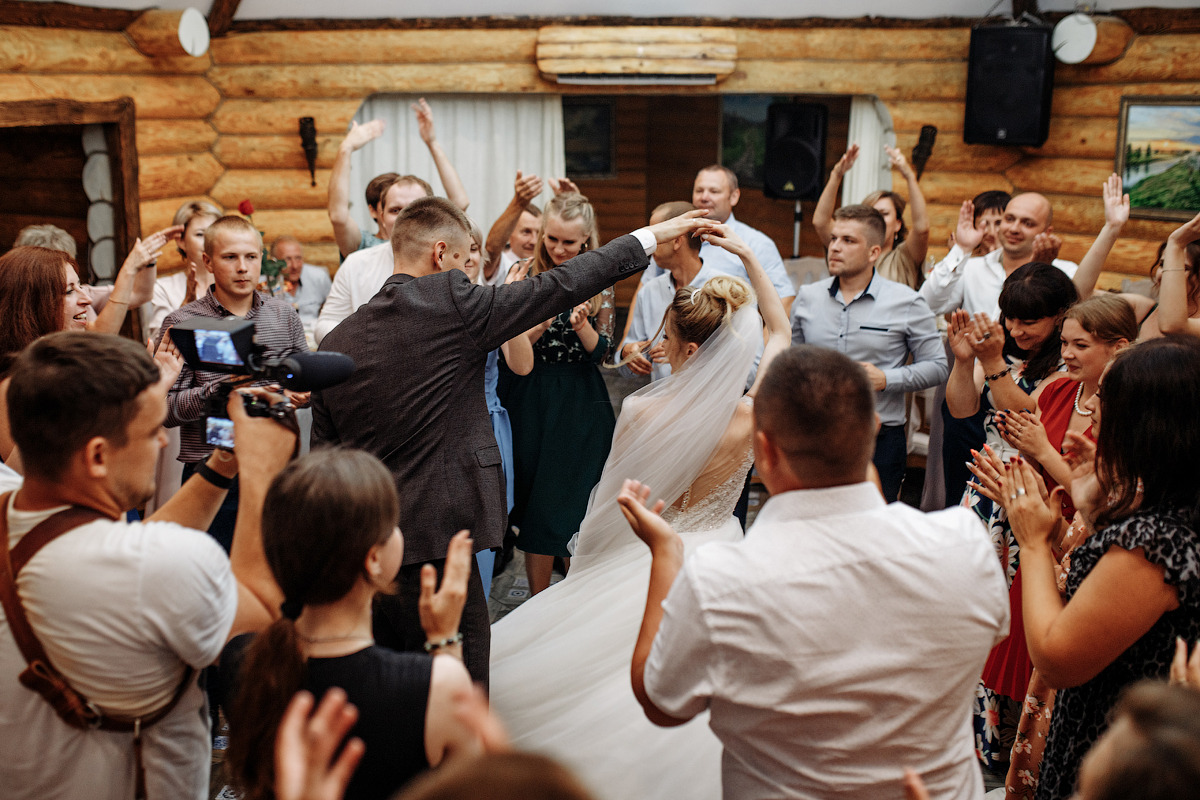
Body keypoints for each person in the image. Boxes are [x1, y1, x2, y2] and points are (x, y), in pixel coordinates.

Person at [312, 195, 716, 685]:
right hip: (445, 538)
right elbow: (566, 281)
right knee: (461, 683)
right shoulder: (455, 307)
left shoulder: (338, 342)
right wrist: (652, 237)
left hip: (368, 546)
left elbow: (324, 462)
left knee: (385, 683)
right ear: (440, 254)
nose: (467, 273)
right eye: (463, 262)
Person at [623, 344, 1008, 800]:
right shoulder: (964, 544)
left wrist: (667, 552)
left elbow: (663, 704)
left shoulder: (718, 578)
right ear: (874, 431)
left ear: (763, 449)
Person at [490, 220, 789, 800]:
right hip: (721, 555)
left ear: (690, 349)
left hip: (646, 558)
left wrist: (591, 563)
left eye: (666, 337)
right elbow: (778, 326)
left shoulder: (644, 415)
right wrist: (750, 258)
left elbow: (610, 501)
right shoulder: (755, 412)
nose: (658, 345)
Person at [0, 331, 296, 800]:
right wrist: (264, 470)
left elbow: (134, 547)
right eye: (152, 429)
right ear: (97, 455)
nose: (162, 442)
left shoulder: (17, 505)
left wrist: (223, 465)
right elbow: (262, 606)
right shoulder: (152, 568)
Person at [995, 335, 1200, 799]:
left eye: (1105, 399)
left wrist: (1032, 541)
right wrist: (1097, 508)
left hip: (1117, 741)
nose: (1092, 411)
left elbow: (1056, 658)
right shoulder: (1177, 502)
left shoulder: (1152, 546)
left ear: (1144, 419)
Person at [222, 448, 481, 800]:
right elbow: (470, 785)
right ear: (373, 559)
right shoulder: (436, 684)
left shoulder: (241, 660)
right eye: (392, 526)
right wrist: (445, 640)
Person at [945, 262, 1079, 768]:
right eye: (1011, 319)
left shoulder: (1069, 366)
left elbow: (1022, 417)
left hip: (1024, 501)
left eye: (1031, 322)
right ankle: (968, 727)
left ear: (1062, 317)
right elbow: (963, 411)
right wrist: (964, 363)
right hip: (983, 495)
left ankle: (1004, 736)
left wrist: (996, 361)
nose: (1019, 331)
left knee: (1011, 620)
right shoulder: (1007, 358)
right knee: (972, 609)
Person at [158, 215, 308, 552]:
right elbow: (163, 409)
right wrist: (221, 390)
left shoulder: (283, 315)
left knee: (274, 565)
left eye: (250, 257)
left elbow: (305, 382)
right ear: (208, 262)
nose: (242, 267)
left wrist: (301, 394)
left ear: (261, 260)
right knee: (213, 570)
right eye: (230, 257)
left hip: (276, 465)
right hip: (210, 468)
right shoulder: (182, 322)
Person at [499, 193, 620, 595]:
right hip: (528, 395)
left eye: (569, 242)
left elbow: (604, 352)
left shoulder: (599, 280)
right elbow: (505, 346)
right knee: (536, 501)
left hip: (579, 401)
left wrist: (583, 323)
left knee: (573, 500)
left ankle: (572, 598)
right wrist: (540, 322)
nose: (557, 248)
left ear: (586, 240)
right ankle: (537, 601)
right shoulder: (520, 273)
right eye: (551, 238)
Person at [791, 204, 947, 502]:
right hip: (813, 432)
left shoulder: (907, 302)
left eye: (848, 241)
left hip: (880, 439)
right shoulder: (808, 297)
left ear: (874, 252)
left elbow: (938, 366)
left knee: (869, 533)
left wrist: (886, 378)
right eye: (834, 238)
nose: (835, 247)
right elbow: (792, 361)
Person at [328, 99, 470, 259]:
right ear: (379, 213)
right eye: (396, 210)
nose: (405, 217)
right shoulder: (363, 247)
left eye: (414, 209)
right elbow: (338, 217)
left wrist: (432, 142)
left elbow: (460, 203)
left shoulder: (435, 245)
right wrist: (345, 149)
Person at [922, 192, 1076, 320]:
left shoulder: (1066, 272)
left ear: (1047, 231)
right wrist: (961, 248)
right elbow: (926, 306)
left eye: (1027, 223)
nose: (1014, 228)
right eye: (1009, 219)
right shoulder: (972, 268)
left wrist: (1041, 271)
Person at [616, 201, 720, 381]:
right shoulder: (648, 292)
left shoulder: (720, 290)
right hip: (662, 402)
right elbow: (625, 370)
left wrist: (678, 352)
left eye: (655, 235)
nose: (649, 245)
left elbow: (745, 366)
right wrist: (628, 353)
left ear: (677, 240)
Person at [13, 223, 179, 335]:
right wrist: (129, 268)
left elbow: (140, 294)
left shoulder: (85, 292)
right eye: (69, 290)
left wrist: (149, 259)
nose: (85, 298)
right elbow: (98, 335)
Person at [813, 143, 932, 289]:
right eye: (872, 214)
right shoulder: (847, 250)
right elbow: (821, 222)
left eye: (884, 214)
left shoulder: (904, 257)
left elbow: (922, 229)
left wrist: (909, 176)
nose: (878, 220)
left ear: (898, 224)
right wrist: (836, 175)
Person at [147, 200, 223, 339]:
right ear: (181, 241)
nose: (209, 241)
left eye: (214, 234)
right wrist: (186, 307)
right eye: (200, 235)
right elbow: (157, 344)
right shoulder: (163, 288)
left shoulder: (235, 281)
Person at [483, 170, 544, 285]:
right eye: (526, 232)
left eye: (539, 233)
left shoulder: (548, 265)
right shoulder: (501, 265)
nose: (534, 241)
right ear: (509, 234)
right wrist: (518, 203)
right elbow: (491, 249)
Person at [271, 235, 332, 339]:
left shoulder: (319, 277)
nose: (295, 266)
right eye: (287, 260)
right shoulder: (264, 285)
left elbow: (334, 310)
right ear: (274, 262)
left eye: (298, 258)